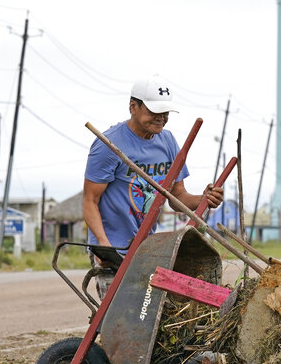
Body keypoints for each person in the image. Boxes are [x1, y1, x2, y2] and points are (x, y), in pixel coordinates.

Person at [83, 80, 223, 264]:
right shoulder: (108, 144)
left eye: (165, 113)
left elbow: (177, 196)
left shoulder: (168, 142)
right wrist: (103, 244)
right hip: (112, 249)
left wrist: (203, 199)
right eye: (154, 111)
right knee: (116, 293)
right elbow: (90, 200)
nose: (161, 118)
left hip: (145, 248)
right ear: (133, 107)